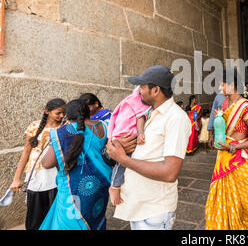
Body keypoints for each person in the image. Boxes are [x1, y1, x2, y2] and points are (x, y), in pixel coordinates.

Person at [106, 65, 191, 230]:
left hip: (154, 210)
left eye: (143, 87)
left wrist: (122, 158)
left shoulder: (176, 118)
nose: (139, 92)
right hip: (138, 205)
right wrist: (120, 147)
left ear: (156, 90)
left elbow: (169, 172)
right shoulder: (147, 114)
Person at [205, 69, 248, 230]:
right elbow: (224, 131)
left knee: (240, 204)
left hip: (239, 161)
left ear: (232, 85)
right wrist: (219, 118)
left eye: (221, 84)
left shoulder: (245, 106)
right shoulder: (225, 104)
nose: (219, 88)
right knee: (222, 200)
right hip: (224, 157)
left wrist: (233, 146)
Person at [40, 99, 111, 230]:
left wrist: (55, 142)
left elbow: (46, 163)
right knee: (95, 217)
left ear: (68, 115)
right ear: (88, 111)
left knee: (71, 222)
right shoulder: (105, 126)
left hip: (73, 188)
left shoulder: (63, 132)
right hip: (102, 183)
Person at [9, 98, 66, 230]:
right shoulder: (34, 126)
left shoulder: (64, 127)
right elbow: (26, 152)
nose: (62, 116)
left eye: (63, 113)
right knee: (35, 214)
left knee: (54, 212)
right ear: (47, 111)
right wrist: (17, 178)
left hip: (57, 175)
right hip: (37, 175)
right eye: (58, 113)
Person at [107, 87, 151, 206]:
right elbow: (140, 118)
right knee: (121, 163)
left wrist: (110, 136)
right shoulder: (139, 103)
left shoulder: (129, 101)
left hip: (120, 136)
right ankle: (114, 186)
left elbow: (113, 118)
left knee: (122, 163)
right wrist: (111, 139)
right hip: (126, 136)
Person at [207, 85, 226, 150]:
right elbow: (213, 116)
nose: (220, 87)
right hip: (221, 137)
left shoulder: (240, 100)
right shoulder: (219, 97)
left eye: (223, 84)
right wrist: (210, 135)